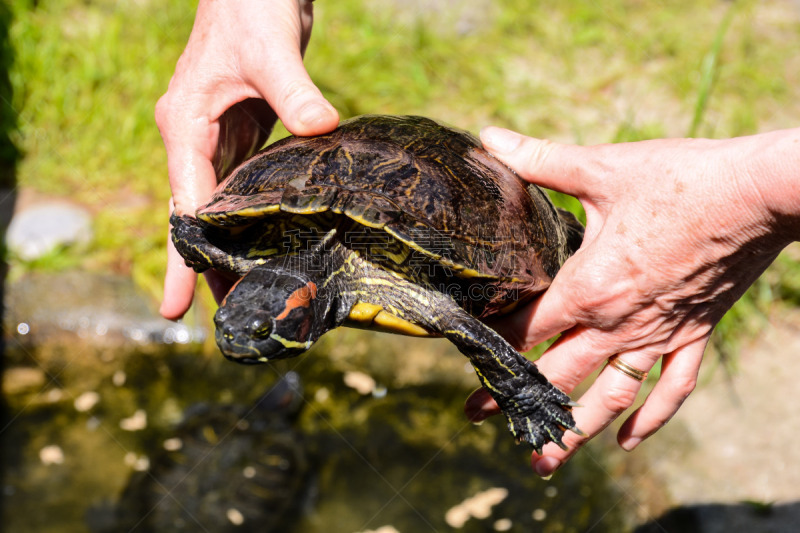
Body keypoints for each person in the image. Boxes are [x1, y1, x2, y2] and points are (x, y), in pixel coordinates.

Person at [156, 0, 800, 478]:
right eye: (247, 328)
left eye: (262, 328)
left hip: (454, 209)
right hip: (309, 195)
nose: (240, 336)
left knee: (461, 314)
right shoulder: (252, 252)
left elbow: (456, 320)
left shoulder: (373, 279)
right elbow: (207, 235)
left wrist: (750, 198)